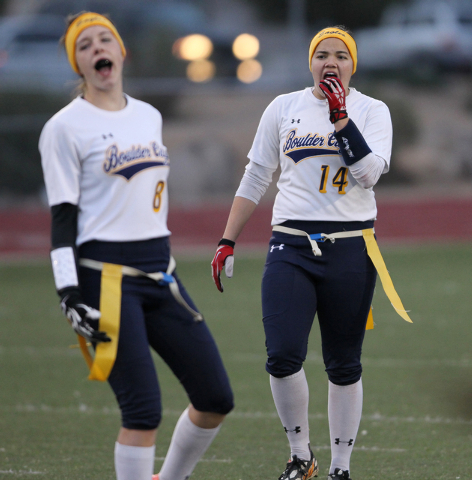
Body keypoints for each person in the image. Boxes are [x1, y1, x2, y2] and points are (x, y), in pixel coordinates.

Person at [39, 12, 233, 480]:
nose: (97, 48)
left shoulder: (149, 115)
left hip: (159, 272)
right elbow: (62, 221)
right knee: (142, 412)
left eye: (105, 39)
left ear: (121, 51)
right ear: (78, 64)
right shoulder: (64, 128)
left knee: (215, 399)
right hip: (103, 278)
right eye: (84, 45)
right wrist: (69, 293)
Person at [211, 26, 411, 480]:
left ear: (352, 64)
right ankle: (301, 456)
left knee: (343, 363)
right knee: (282, 355)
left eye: (341, 55)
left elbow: (368, 175)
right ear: (310, 61)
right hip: (291, 243)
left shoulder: (372, 110)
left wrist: (342, 117)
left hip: (351, 247)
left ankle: (340, 467)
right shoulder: (284, 107)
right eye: (322, 54)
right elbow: (256, 176)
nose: (331, 62)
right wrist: (227, 239)